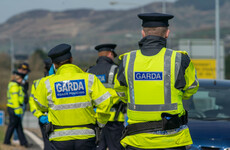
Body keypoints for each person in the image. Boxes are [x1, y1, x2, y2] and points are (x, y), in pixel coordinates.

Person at [114, 12, 199, 150]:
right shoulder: (179, 59)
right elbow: (191, 89)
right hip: (172, 140)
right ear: (167, 33)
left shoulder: (127, 60)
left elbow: (121, 92)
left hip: (137, 140)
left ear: (143, 33)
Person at [33, 43, 112, 150]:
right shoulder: (89, 79)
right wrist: (100, 123)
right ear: (71, 59)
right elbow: (106, 102)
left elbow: (40, 106)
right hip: (87, 136)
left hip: (59, 139)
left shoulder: (46, 83)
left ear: (54, 65)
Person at [87, 44, 125, 150]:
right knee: (117, 147)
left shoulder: (89, 72)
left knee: (98, 147)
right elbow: (122, 92)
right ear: (110, 54)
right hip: (115, 118)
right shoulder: (116, 70)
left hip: (95, 119)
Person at [4, 71, 32, 148]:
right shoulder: (14, 86)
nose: (22, 81)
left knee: (17, 126)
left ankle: (23, 142)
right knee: (13, 126)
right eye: (22, 79)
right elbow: (15, 99)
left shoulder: (16, 85)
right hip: (13, 108)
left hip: (14, 108)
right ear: (18, 79)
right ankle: (7, 141)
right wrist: (17, 109)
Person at [29, 58, 52, 150]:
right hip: (53, 118)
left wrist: (40, 115)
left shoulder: (37, 83)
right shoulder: (37, 83)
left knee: (48, 144)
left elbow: (32, 102)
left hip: (45, 119)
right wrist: (40, 116)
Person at [13, 62, 31, 143]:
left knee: (19, 121)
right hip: (18, 103)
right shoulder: (17, 80)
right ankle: (16, 138)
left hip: (23, 102)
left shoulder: (24, 80)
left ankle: (18, 138)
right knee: (17, 121)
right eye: (24, 70)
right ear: (20, 70)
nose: (25, 72)